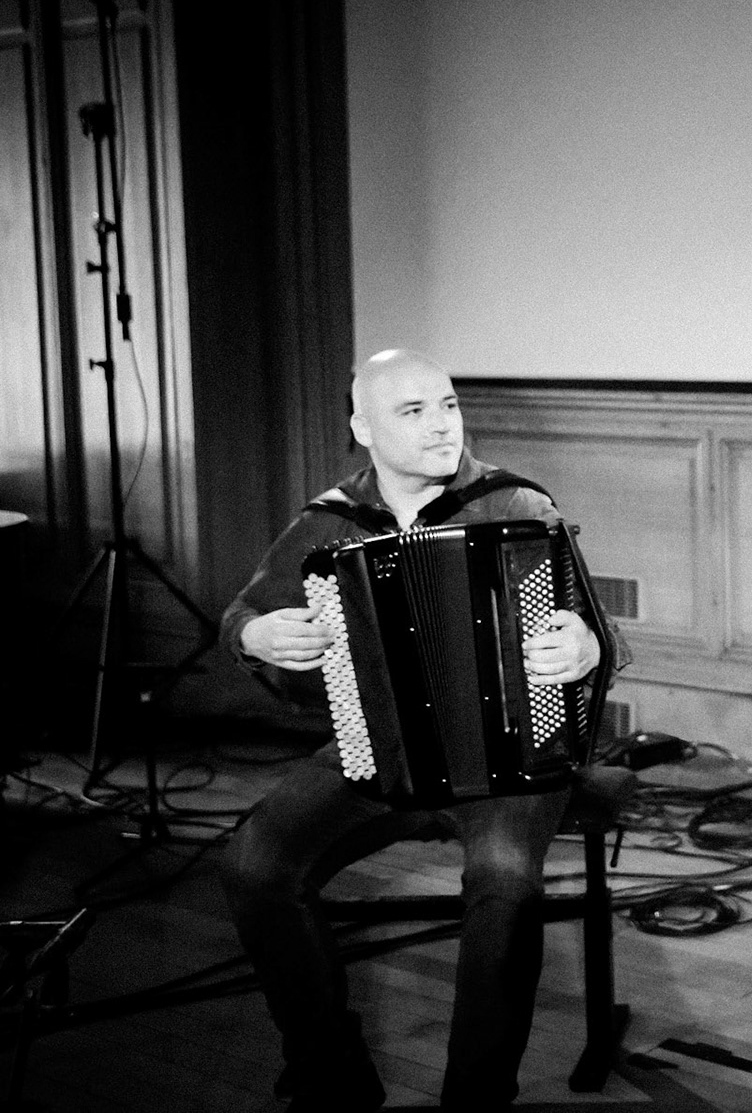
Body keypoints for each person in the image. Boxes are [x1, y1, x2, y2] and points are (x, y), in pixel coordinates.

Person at [218, 348, 618, 1111]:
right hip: (379, 750)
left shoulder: (515, 505)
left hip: (513, 757)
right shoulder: (331, 521)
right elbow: (242, 613)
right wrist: (254, 635)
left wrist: (585, 647)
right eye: (414, 411)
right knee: (254, 865)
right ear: (364, 429)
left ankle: (477, 1097)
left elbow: (600, 634)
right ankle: (331, 1076)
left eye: (449, 405)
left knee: (505, 881)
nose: (442, 426)